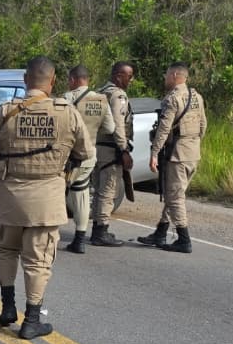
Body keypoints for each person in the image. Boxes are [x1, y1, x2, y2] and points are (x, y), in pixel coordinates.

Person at [0, 55, 93, 340]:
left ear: (25, 80)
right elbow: (86, 153)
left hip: (12, 195)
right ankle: (31, 320)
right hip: (47, 196)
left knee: (6, 250)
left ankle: (7, 308)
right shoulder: (67, 112)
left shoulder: (7, 111)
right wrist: (66, 177)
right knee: (38, 259)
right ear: (52, 82)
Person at [138, 64, 207, 253]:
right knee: (174, 194)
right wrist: (194, 144)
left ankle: (184, 239)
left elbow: (163, 129)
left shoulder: (173, 99)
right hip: (193, 152)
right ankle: (160, 232)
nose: (165, 77)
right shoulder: (196, 97)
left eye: (167, 74)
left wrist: (154, 153)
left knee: (175, 198)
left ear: (175, 75)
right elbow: (203, 125)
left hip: (178, 154)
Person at [63, 64, 115, 253]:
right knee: (81, 193)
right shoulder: (102, 100)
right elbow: (110, 129)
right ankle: (79, 238)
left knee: (56, 191)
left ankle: (44, 233)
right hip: (89, 154)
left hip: (67, 156)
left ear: (73, 80)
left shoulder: (67, 99)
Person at [90, 61, 135, 247]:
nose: (131, 80)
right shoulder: (117, 95)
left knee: (99, 190)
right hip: (110, 149)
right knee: (108, 190)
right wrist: (123, 149)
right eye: (129, 76)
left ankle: (96, 228)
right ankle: (101, 231)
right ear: (118, 76)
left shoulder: (99, 92)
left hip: (96, 147)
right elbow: (118, 123)